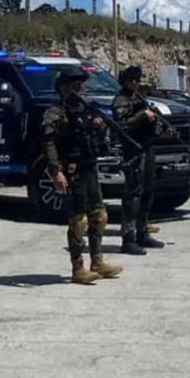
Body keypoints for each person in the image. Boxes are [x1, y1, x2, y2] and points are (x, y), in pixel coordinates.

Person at [40, 67, 123, 284]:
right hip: (72, 170)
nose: (80, 90)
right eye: (75, 86)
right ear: (64, 88)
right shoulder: (56, 113)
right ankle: (78, 267)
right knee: (79, 220)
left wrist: (99, 128)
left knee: (100, 215)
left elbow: (99, 138)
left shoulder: (86, 110)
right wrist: (56, 171)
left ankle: (97, 261)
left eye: (81, 86)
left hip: (89, 168)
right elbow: (48, 143)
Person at [112, 65, 166, 255]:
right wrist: (141, 116)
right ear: (125, 82)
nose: (136, 83)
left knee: (147, 193)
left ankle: (143, 233)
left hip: (147, 148)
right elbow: (121, 126)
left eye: (137, 80)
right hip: (133, 151)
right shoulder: (121, 100)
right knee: (132, 196)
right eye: (132, 80)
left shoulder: (139, 99)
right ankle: (128, 238)